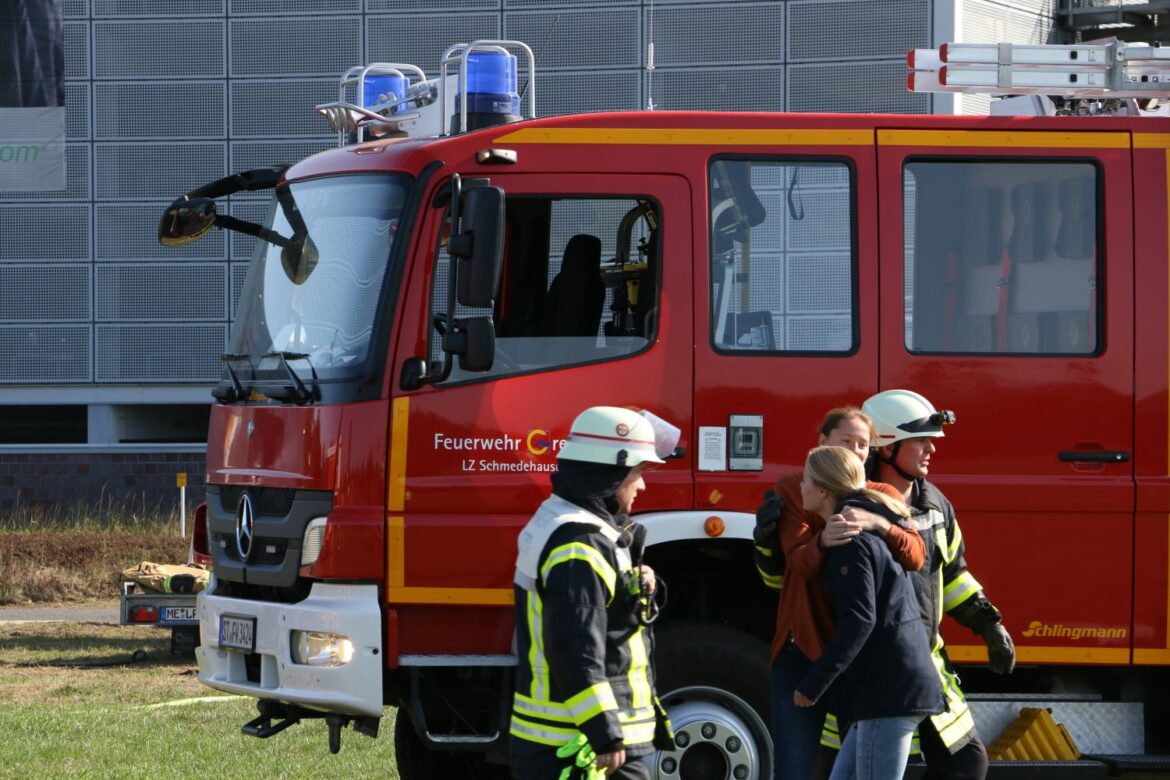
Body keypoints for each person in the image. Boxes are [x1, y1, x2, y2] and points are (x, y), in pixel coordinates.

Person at [754, 406, 927, 780]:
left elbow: (916, 555)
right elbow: (797, 565)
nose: (854, 450)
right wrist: (822, 541)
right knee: (796, 769)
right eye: (846, 441)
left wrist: (881, 525)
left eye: (863, 444)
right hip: (804, 647)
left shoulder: (881, 497)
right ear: (822, 445)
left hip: (853, 656)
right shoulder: (793, 489)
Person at [510, 406, 676, 780]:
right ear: (610, 474)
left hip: (574, 742)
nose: (643, 485)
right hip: (578, 747)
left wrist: (643, 583)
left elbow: (607, 615)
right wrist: (605, 733)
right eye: (638, 474)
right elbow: (575, 648)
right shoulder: (578, 546)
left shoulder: (573, 524)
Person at [859, 389, 1016, 780]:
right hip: (871, 668)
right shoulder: (855, 505)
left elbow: (953, 575)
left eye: (933, 440)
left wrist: (988, 624)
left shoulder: (935, 505)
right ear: (886, 446)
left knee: (967, 765)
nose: (931, 449)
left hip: (927, 665)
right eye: (920, 441)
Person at [793, 446, 944, 780]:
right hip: (884, 689)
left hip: (888, 690)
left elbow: (860, 621)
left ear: (822, 490)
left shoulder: (851, 541)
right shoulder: (862, 528)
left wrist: (814, 683)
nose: (799, 486)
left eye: (805, 479)